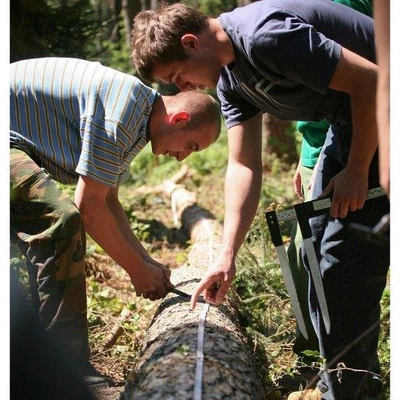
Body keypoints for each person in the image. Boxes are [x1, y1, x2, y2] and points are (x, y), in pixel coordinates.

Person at [131, 1, 390, 399]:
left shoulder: (264, 37)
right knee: (314, 246)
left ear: (190, 42)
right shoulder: (232, 81)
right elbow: (243, 165)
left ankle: (352, 389)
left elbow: (373, 81)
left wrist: (357, 171)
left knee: (344, 265)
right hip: (352, 123)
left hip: (387, 110)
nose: (183, 89)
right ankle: (341, 377)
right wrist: (226, 255)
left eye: (177, 76)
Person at [10, 57, 221, 389]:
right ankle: (64, 372)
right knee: (61, 219)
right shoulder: (122, 115)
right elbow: (88, 208)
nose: (182, 157)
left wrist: (147, 262)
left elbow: (108, 200)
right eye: (190, 146)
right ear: (179, 119)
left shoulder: (136, 117)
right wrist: (136, 271)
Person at [287, 0, 373, 369]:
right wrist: (307, 158)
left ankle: (349, 371)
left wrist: (353, 167)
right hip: (324, 148)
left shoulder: (340, 5)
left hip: (356, 145)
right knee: (303, 255)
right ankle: (318, 357)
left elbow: (353, 90)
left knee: (340, 265)